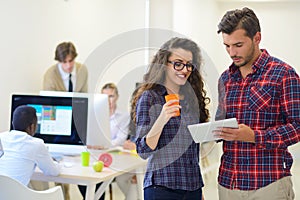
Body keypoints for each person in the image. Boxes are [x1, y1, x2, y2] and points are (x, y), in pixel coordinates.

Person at [215, 7, 300, 200]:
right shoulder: (225, 79)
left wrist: (255, 136)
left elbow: (298, 127)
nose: (232, 52)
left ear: (257, 38)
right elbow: (221, 121)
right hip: (229, 182)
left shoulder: (283, 74)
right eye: (226, 46)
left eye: (238, 44)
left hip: (268, 183)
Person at [131, 37, 210, 200]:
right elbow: (143, 151)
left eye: (189, 64)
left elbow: (192, 151)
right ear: (164, 64)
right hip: (162, 187)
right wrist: (162, 119)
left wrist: (198, 191)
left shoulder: (191, 99)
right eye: (178, 63)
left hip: (192, 186)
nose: (184, 69)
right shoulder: (150, 98)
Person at [0, 105, 60, 186]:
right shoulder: (36, 144)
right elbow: (53, 172)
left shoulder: (1, 137)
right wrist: (55, 162)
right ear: (32, 126)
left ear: (13, 123)